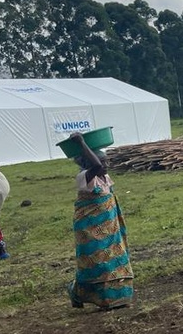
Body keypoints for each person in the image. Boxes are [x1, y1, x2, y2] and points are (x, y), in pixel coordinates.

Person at [66, 132, 133, 310]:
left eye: (106, 161)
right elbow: (95, 164)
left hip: (110, 229)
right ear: (88, 164)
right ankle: (81, 293)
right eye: (101, 162)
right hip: (90, 230)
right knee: (98, 264)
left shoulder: (105, 178)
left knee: (114, 260)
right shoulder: (84, 178)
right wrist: (81, 143)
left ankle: (119, 297)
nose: (105, 165)